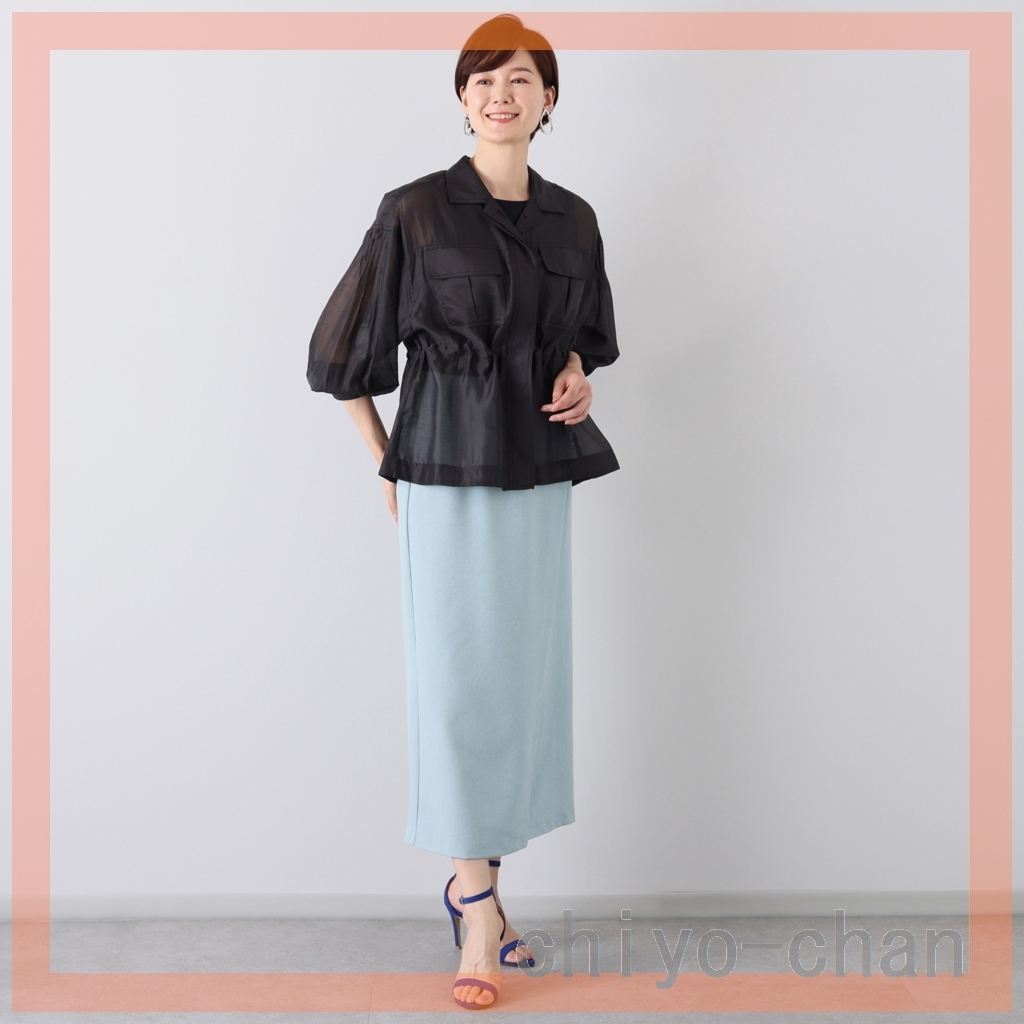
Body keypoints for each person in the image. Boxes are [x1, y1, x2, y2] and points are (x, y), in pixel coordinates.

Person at [306, 13, 619, 1009]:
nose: (500, 95)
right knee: (454, 685)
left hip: (538, 472)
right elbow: (340, 355)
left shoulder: (574, 218)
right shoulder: (415, 211)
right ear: (461, 97)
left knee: (518, 686)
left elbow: (586, 334)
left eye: (520, 79)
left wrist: (577, 372)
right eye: (483, 79)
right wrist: (387, 466)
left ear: (549, 99)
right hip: (443, 474)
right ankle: (475, 905)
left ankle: (479, 889)